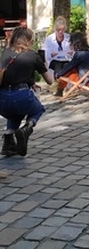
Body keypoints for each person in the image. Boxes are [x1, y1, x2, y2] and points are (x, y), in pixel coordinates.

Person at [0, 27, 53, 157]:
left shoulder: (5, 53)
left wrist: (30, 81)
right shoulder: (33, 56)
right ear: (29, 41)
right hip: (22, 95)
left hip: (2, 101)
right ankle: (27, 128)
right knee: (38, 109)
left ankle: (8, 142)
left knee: (14, 113)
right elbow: (49, 81)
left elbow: (11, 74)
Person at [54, 31, 89, 96]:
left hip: (84, 79)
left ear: (75, 43)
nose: (70, 44)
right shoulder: (88, 53)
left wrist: (58, 74)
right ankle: (62, 89)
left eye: (71, 42)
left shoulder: (80, 54)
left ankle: (60, 90)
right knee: (69, 69)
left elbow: (70, 66)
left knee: (66, 71)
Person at [43, 16, 71, 95]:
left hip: (66, 59)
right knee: (58, 69)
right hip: (54, 60)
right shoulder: (49, 39)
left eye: (62, 30)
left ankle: (63, 87)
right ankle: (58, 88)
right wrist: (51, 54)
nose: (60, 32)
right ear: (55, 29)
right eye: (59, 30)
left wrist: (70, 52)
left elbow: (72, 49)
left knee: (67, 67)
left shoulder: (68, 37)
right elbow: (45, 52)